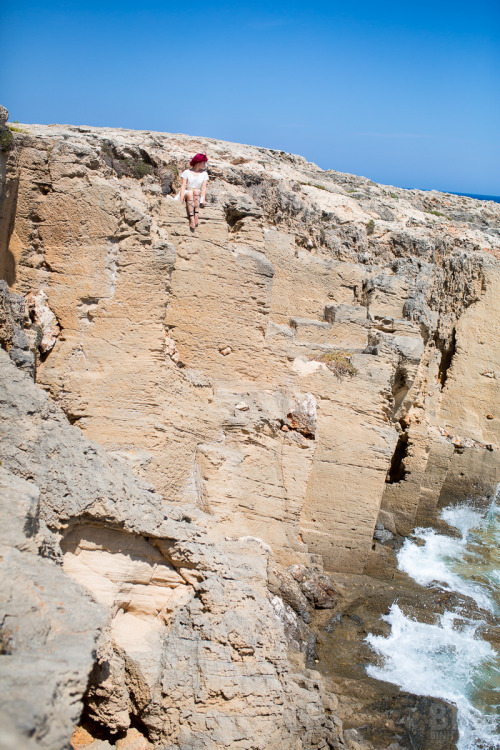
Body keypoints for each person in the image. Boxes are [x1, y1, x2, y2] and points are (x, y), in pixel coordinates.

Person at [180, 154, 209, 230]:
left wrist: (203, 199)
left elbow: (203, 187)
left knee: (196, 191)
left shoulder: (204, 174)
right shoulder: (186, 172)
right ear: (198, 162)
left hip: (197, 193)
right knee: (190, 193)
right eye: (203, 163)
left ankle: (196, 215)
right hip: (188, 191)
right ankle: (192, 218)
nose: (204, 165)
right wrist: (181, 196)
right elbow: (183, 185)